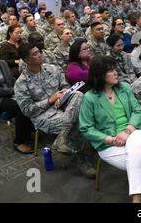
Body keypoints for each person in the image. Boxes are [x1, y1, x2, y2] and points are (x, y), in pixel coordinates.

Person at [79, 55, 141, 203]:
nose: (116, 73)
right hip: (109, 143)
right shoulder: (90, 98)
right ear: (99, 75)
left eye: (115, 69)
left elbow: (138, 111)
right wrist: (111, 139)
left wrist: (127, 132)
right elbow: (86, 128)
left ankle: (136, 199)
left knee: (137, 139)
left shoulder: (124, 88)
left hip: (133, 132)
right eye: (110, 71)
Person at [14, 43, 95, 178]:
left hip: (64, 105)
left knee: (79, 95)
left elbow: (65, 86)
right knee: (79, 122)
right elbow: (27, 110)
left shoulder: (53, 69)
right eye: (35, 54)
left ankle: (62, 137)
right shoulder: (21, 83)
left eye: (39, 51)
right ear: (27, 60)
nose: (40, 54)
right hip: (44, 116)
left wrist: (63, 94)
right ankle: (82, 160)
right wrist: (50, 100)